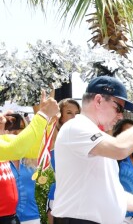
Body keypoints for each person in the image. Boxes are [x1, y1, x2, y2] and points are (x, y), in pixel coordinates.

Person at [51, 76, 133, 224]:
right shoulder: (76, 127)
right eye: (118, 108)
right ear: (99, 100)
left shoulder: (96, 137)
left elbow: (112, 192)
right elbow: (120, 148)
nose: (120, 115)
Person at [0, 91, 59, 224]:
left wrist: (48, 121)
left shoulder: (5, 140)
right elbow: (15, 149)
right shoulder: (8, 145)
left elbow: (36, 149)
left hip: (10, 217)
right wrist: (43, 115)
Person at [47, 99, 81, 224]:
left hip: (80, 201)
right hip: (59, 200)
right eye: (69, 113)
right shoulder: (55, 137)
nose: (74, 117)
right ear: (60, 117)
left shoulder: (83, 138)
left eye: (77, 113)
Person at [10, 114, 41, 224]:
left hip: (32, 218)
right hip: (6, 219)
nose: (16, 132)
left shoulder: (33, 158)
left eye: (21, 128)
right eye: (12, 127)